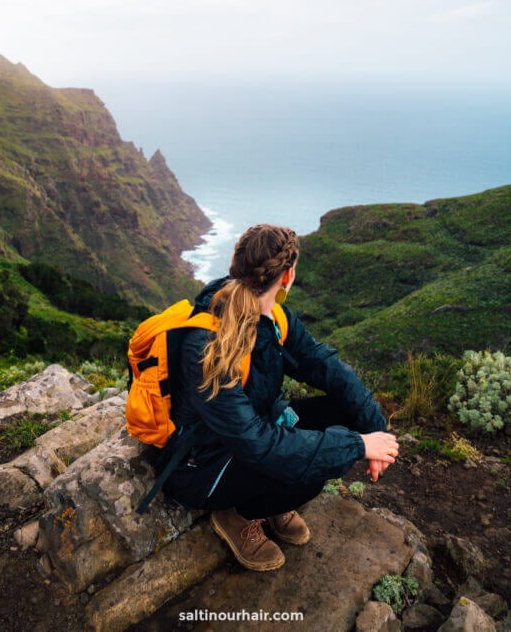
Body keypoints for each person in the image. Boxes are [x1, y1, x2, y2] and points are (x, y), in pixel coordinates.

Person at [163, 224, 399, 571]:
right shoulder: (207, 347)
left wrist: (376, 431)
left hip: (248, 433)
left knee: (343, 413)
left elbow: (325, 365)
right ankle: (237, 516)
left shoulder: (274, 318)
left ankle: (266, 500)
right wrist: (357, 446)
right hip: (200, 465)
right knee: (309, 473)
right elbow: (258, 444)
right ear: (287, 276)